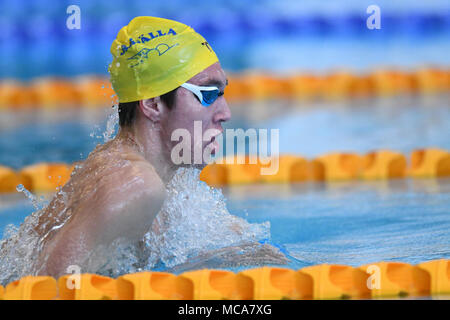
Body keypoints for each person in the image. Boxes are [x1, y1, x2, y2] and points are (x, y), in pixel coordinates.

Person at [30, 16, 286, 277]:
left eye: (222, 94)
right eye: (208, 94)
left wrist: (222, 256)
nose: (226, 113)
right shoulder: (135, 186)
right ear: (153, 105)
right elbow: (48, 288)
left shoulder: (148, 171)